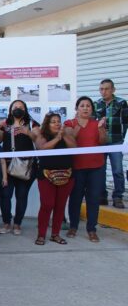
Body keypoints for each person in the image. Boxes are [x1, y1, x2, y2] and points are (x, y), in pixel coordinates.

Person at [65, 97, 108, 242]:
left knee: (94, 199)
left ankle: (91, 229)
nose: (85, 108)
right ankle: (73, 226)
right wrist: (78, 124)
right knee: (75, 198)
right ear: (76, 109)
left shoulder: (97, 124)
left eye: (88, 106)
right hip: (77, 168)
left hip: (96, 167)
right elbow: (71, 140)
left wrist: (101, 128)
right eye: (82, 106)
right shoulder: (69, 123)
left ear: (92, 109)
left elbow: (103, 142)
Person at [0, 100, 39, 235]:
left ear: (25, 110)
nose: (18, 109)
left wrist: (28, 132)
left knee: (22, 195)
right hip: (7, 167)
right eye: (15, 107)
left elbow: (38, 141)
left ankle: (17, 224)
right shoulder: (5, 124)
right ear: (10, 110)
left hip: (25, 166)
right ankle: (6, 222)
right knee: (5, 195)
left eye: (21, 107)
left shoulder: (32, 124)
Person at [35, 112, 76, 246]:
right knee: (47, 204)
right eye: (53, 121)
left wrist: (63, 136)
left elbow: (74, 148)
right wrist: (57, 138)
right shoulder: (42, 136)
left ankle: (55, 234)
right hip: (46, 176)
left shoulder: (66, 135)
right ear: (47, 124)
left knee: (60, 206)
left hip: (66, 175)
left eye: (58, 121)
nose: (57, 123)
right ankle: (41, 234)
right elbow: (42, 148)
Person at [94, 79, 128, 208]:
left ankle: (118, 197)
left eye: (107, 89)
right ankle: (102, 195)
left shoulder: (121, 103)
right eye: (101, 89)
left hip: (116, 142)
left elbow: (126, 122)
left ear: (113, 90)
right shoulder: (96, 104)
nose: (104, 91)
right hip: (100, 143)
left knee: (117, 170)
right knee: (100, 171)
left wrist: (123, 139)